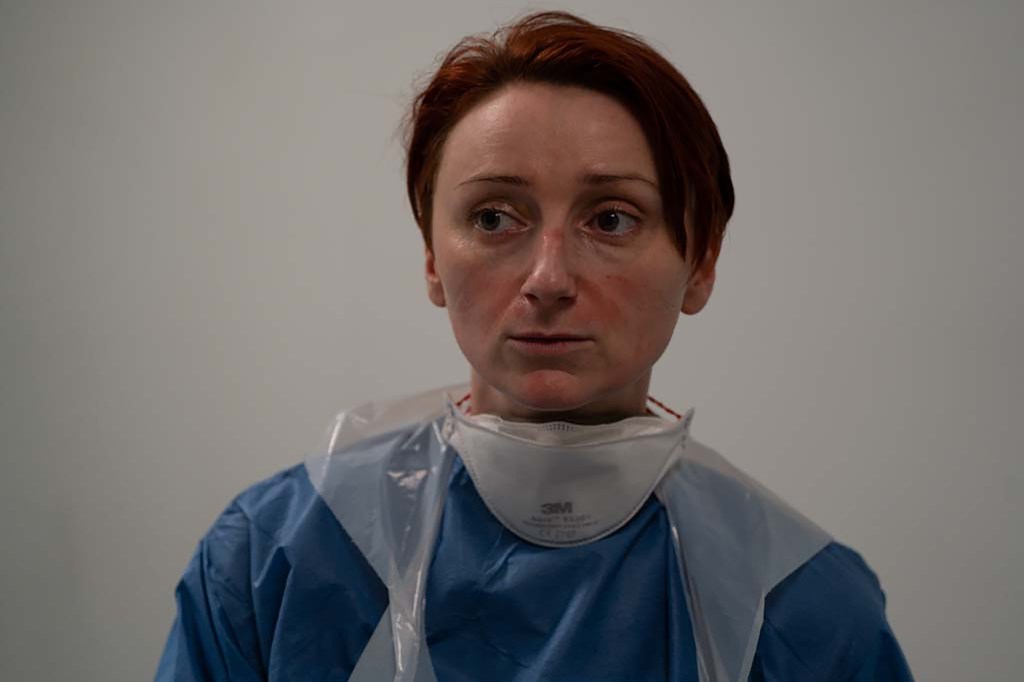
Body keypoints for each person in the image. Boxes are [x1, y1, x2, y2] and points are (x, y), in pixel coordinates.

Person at [156, 11, 913, 681]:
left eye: (611, 219)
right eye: (493, 218)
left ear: (700, 264)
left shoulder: (800, 605)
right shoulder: (274, 563)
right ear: (431, 259)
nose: (548, 279)